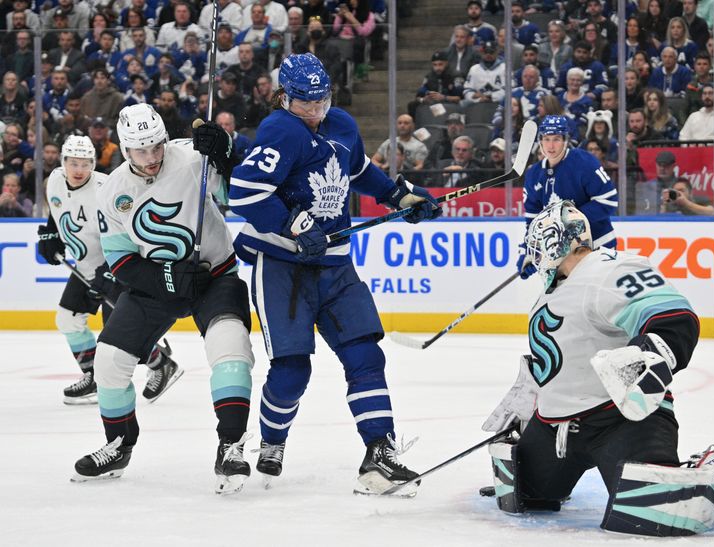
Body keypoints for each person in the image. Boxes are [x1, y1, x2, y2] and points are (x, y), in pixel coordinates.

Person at [228, 53, 442, 495]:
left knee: (365, 355)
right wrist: (294, 223)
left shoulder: (342, 125)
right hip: (283, 266)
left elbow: (361, 172)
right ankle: (272, 439)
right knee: (292, 372)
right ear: (285, 98)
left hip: (336, 264)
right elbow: (245, 193)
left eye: (321, 100)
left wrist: (400, 198)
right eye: (305, 102)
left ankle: (379, 453)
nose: (315, 110)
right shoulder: (280, 130)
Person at [71, 104, 256, 496]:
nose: (152, 157)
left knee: (231, 348)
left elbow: (239, 193)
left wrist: (225, 153)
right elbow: (121, 261)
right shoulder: (112, 192)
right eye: (142, 151)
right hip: (156, 286)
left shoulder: (193, 156)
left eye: (156, 146)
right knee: (108, 361)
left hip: (214, 275)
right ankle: (119, 444)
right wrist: (165, 277)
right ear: (125, 150)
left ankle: (231, 444)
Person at [482, 199, 700, 530]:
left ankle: (709, 467)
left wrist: (654, 351)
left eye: (537, 244)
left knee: (649, 513)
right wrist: (526, 407)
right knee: (522, 497)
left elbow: (673, 318)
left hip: (623, 422)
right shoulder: (554, 289)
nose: (535, 253)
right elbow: (553, 360)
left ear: (554, 241)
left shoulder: (609, 268)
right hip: (556, 430)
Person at [36, 135, 182, 405]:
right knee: (67, 319)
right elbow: (58, 209)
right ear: (63, 162)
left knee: (119, 337)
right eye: (73, 163)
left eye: (85, 164)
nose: (79, 170)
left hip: (118, 268)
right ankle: (92, 376)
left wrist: (109, 271)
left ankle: (161, 363)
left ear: (94, 164)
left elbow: (128, 231)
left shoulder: (106, 189)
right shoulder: (55, 180)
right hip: (85, 267)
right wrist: (50, 233)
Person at [518, 115, 618, 280]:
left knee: (599, 300)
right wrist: (530, 252)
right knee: (567, 303)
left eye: (556, 139)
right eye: (546, 139)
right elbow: (533, 219)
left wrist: (567, 221)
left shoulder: (584, 162)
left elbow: (608, 201)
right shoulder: (534, 174)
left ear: (565, 140)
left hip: (597, 246)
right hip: (561, 256)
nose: (551, 145)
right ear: (540, 141)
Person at [635, 149, 678, 214]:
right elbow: (640, 212)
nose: (662, 168)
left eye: (666, 165)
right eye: (659, 165)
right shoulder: (647, 187)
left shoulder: (681, 186)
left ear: (674, 166)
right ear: (656, 164)